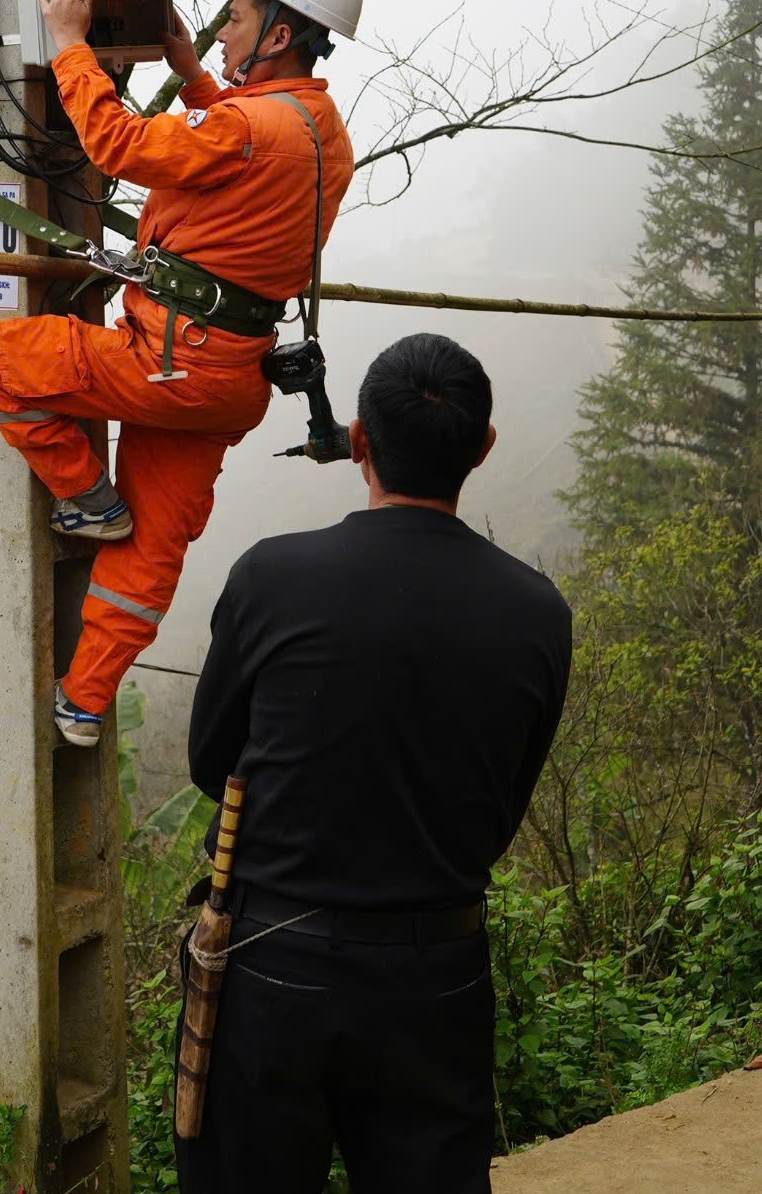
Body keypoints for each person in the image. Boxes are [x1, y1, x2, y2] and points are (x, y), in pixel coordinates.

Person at [175, 332, 573, 1194]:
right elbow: (502, 802)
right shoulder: (536, 610)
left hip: (271, 969)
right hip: (437, 971)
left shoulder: (271, 576)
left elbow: (216, 762)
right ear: (484, 446)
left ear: (358, 440)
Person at [0, 0, 362, 749]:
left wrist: (71, 46)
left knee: (1, 357)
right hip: (228, 381)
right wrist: (192, 75)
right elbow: (246, 141)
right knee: (150, 551)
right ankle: (82, 704)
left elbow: (120, 145)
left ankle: (87, 499)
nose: (223, 30)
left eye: (239, 17)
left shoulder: (251, 127)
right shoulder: (323, 131)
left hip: (169, 361)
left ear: (280, 36)